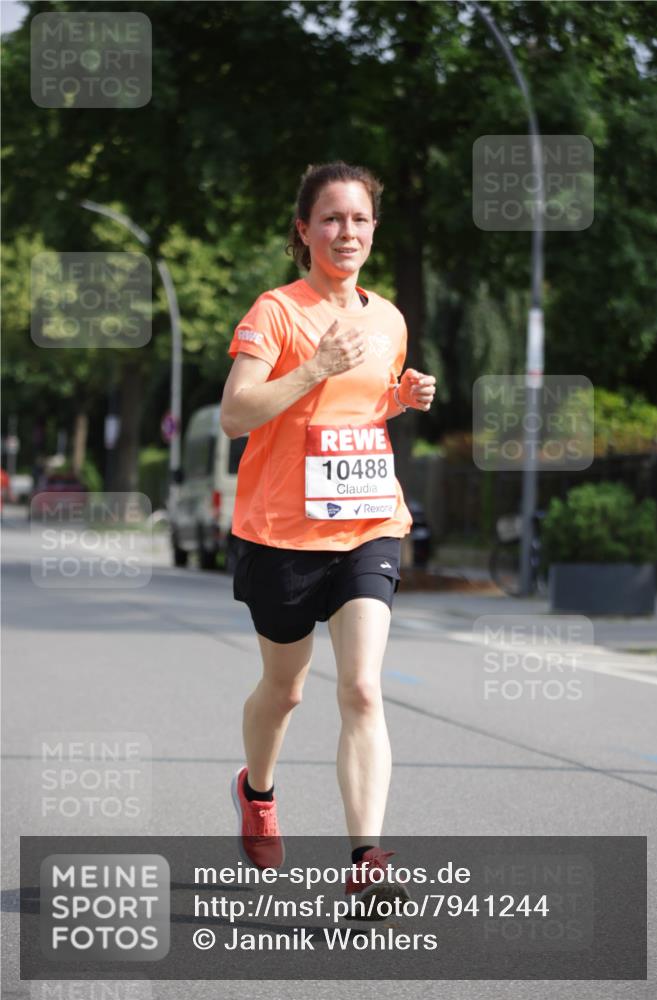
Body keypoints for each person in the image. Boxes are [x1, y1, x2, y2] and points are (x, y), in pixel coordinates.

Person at [221, 161, 436, 906]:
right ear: (304, 230)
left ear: (374, 230)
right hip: (282, 533)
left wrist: (401, 397)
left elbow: (363, 410)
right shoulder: (277, 312)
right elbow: (236, 414)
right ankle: (257, 790)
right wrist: (313, 366)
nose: (348, 232)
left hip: (368, 524)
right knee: (285, 692)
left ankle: (366, 861)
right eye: (332, 219)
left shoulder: (389, 319)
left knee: (363, 689)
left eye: (360, 219)